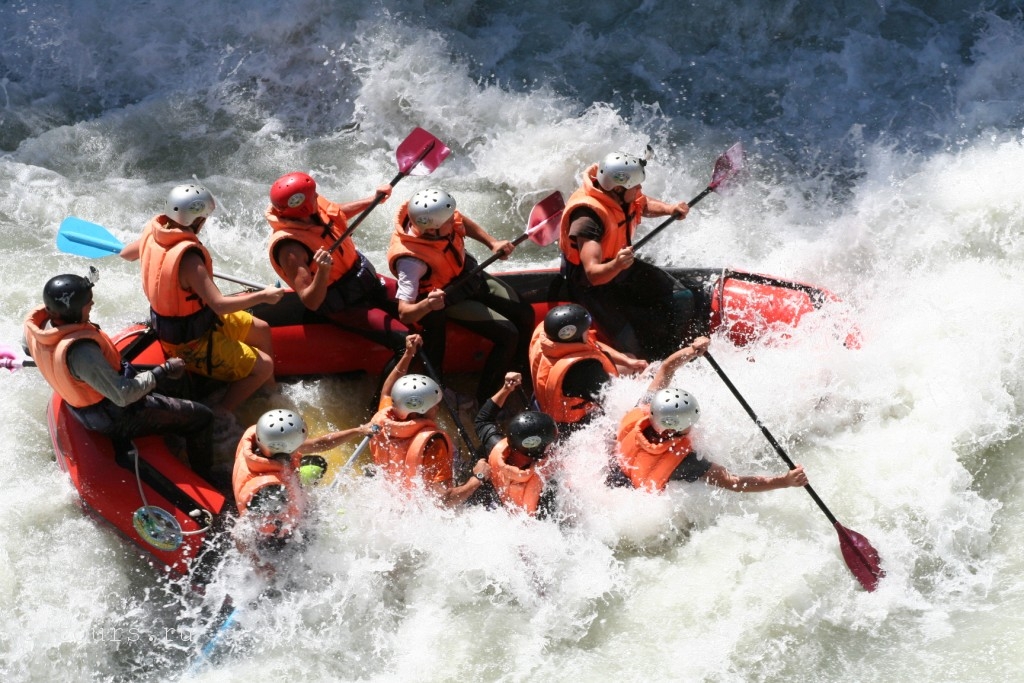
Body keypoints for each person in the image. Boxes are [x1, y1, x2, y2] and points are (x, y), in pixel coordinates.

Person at [23, 271, 215, 478]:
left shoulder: (36, 329)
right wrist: (164, 370)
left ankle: (176, 422)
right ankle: (206, 474)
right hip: (113, 414)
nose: (93, 303)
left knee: (177, 383)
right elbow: (123, 395)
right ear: (73, 311)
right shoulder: (82, 352)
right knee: (203, 417)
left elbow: (28, 349)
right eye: (88, 302)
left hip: (98, 393)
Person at [121, 183, 284, 415]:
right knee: (264, 365)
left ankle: (271, 390)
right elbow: (218, 304)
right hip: (188, 343)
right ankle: (222, 414)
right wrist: (264, 296)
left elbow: (126, 254)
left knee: (262, 329)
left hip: (200, 322)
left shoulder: (153, 232)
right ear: (196, 220)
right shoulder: (189, 260)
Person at [387, 188, 536, 406]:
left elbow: (461, 220)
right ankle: (487, 400)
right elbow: (405, 313)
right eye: (449, 221)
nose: (455, 220)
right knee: (508, 334)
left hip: (468, 275)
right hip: (446, 298)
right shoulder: (411, 263)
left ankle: (519, 371)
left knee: (525, 312)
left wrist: (492, 242)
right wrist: (428, 304)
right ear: (433, 230)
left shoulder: (439, 222)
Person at [610, 338, 807, 494]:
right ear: (677, 428)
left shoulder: (642, 411)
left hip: (613, 475)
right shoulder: (684, 462)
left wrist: (693, 350)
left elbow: (666, 368)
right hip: (635, 494)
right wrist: (785, 481)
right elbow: (736, 482)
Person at [559, 151, 698, 360]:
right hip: (592, 284)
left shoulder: (620, 195)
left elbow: (641, 203)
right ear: (617, 188)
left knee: (682, 298)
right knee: (630, 343)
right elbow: (593, 274)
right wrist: (616, 265)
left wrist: (670, 209)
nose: (640, 189)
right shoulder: (587, 218)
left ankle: (668, 355)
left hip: (619, 266)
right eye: (636, 186)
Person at [265, 172, 407, 356]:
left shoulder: (308, 212)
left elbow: (335, 214)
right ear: (304, 207)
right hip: (346, 305)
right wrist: (323, 271)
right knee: (407, 343)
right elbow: (311, 301)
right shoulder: (290, 249)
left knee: (419, 301)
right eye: (313, 195)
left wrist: (373, 200)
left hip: (368, 282)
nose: (317, 196)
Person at [368, 334, 492, 507]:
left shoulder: (384, 419)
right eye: (435, 405)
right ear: (424, 409)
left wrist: (408, 354)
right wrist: (477, 478)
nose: (438, 408)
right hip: (420, 513)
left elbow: (387, 391)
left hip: (391, 503)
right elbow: (443, 501)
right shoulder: (433, 443)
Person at [232, 408, 371, 548]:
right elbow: (240, 533)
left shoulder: (260, 440)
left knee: (316, 464)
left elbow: (319, 443)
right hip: (276, 540)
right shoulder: (271, 492)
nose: (301, 447)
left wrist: (358, 431)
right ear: (286, 450)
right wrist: (260, 566)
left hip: (279, 492)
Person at [529, 303, 647, 433]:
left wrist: (627, 361)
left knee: (630, 357)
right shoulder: (585, 371)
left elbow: (593, 344)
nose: (589, 331)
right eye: (586, 329)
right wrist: (643, 381)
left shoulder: (546, 335)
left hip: (543, 402)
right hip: (574, 425)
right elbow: (620, 404)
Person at [474, 372, 559, 517]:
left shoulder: (495, 449)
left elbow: (483, 421)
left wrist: (506, 389)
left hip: (490, 507)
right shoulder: (548, 483)